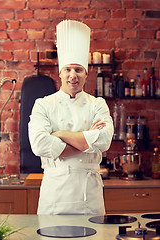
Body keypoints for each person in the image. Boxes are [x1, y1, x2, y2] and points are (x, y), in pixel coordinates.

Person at [28, 20, 114, 215]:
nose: (72, 75)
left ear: (86, 73)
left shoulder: (97, 104)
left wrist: (60, 134)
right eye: (68, 69)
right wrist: (86, 141)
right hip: (55, 199)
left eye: (78, 69)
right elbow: (39, 144)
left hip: (89, 200)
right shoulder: (43, 104)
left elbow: (104, 140)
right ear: (60, 73)